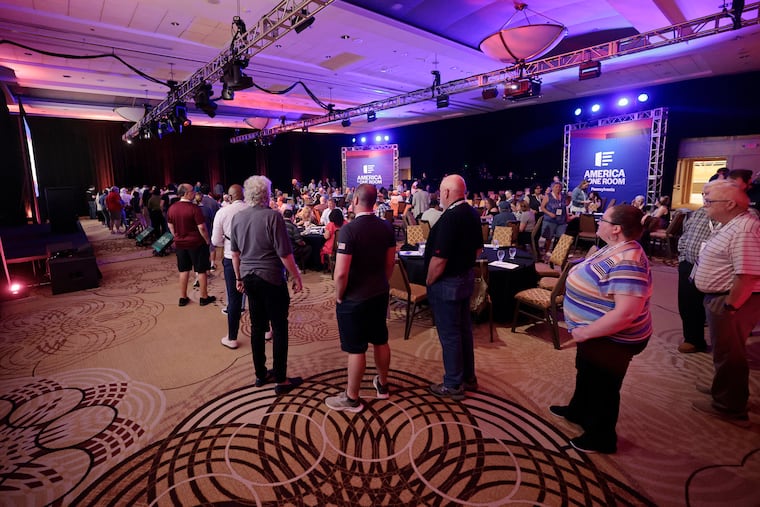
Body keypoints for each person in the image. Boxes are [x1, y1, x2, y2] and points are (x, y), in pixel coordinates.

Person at [551, 204, 652, 454]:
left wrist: (585, 332)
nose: (598, 222)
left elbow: (627, 312)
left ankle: (601, 437)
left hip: (613, 339)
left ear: (616, 229)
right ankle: (578, 411)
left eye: (602, 219)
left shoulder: (629, 260)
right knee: (586, 373)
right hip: (596, 334)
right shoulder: (615, 247)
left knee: (604, 387)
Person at [692, 180, 760, 426]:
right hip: (723, 297)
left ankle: (729, 407)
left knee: (730, 354)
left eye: (710, 201)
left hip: (732, 300)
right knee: (724, 351)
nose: (705, 205)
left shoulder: (744, 229)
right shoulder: (733, 224)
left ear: (730, 204)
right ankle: (723, 392)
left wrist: (731, 305)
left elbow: (748, 273)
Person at [324, 184, 397, 412]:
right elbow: (389, 264)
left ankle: (352, 398)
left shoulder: (348, 230)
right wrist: (380, 283)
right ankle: (383, 386)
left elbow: (342, 273)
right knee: (380, 339)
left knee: (356, 348)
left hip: (354, 298)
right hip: (379, 293)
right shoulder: (387, 227)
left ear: (355, 200)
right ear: (374, 201)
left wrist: (338, 295)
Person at [230, 175, 303, 395]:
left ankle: (260, 375)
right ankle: (281, 379)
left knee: (257, 327)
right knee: (279, 327)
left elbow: (235, 254)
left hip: (249, 278)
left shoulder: (238, 217)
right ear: (267, 194)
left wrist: (238, 278)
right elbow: (284, 254)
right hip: (271, 278)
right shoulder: (274, 216)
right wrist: (297, 277)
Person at [424, 174, 483, 400]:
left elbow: (439, 260)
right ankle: (469, 377)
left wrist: (429, 280)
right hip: (465, 278)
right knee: (464, 332)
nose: (440, 195)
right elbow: (478, 250)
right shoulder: (472, 212)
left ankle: (453, 384)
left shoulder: (450, 218)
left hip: (447, 283)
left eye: (441, 191)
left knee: (449, 335)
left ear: (447, 192)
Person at [167, 183, 216, 307]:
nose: (194, 192)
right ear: (185, 193)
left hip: (180, 244)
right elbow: (202, 228)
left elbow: (170, 225)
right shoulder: (194, 208)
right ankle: (204, 297)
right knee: (201, 270)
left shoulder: (172, 208)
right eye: (192, 191)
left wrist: (176, 236)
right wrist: (207, 240)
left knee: (183, 270)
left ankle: (183, 298)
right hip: (196, 243)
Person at [211, 184, 248, 349]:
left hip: (230, 258)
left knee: (234, 300)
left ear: (230, 197)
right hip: (253, 258)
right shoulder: (253, 209)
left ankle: (232, 338)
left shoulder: (222, 212)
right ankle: (267, 331)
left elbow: (215, 241)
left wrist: (227, 242)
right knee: (257, 297)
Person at [540, 182, 567, 254]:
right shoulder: (548, 196)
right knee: (549, 238)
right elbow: (542, 207)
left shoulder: (563, 196)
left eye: (559, 187)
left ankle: (557, 253)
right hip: (550, 220)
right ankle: (546, 252)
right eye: (556, 187)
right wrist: (549, 213)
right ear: (552, 188)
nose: (558, 188)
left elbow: (565, 207)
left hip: (561, 220)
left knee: (561, 237)